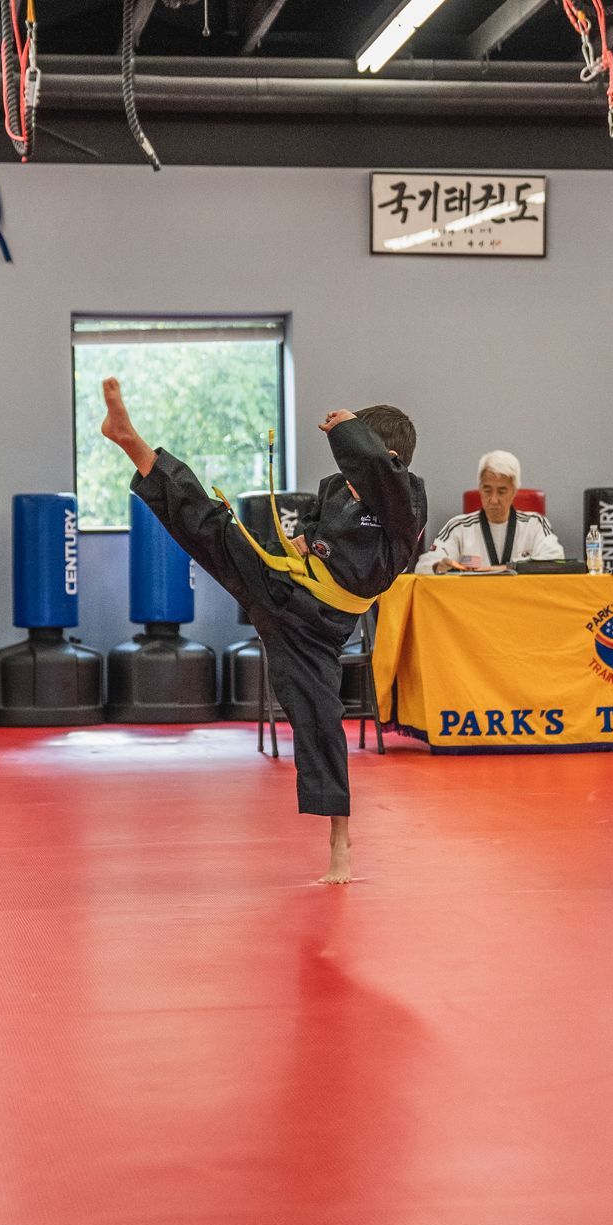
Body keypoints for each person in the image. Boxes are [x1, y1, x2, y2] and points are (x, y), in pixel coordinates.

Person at [100, 378, 427, 884]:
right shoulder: (338, 487)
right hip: (281, 590)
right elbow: (319, 531)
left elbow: (379, 481)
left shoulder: (406, 504)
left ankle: (340, 840)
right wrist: (303, 543)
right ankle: (133, 443)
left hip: (318, 631)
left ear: (387, 461)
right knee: (213, 528)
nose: (350, 477)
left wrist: (349, 430)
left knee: (320, 716)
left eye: (361, 463)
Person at [414, 450, 563, 573]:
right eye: (487, 490)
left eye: (502, 491)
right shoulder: (458, 526)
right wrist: (437, 566)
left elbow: (556, 559)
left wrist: (509, 567)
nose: (493, 499)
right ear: (479, 488)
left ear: (514, 491)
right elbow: (422, 565)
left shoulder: (535, 524)